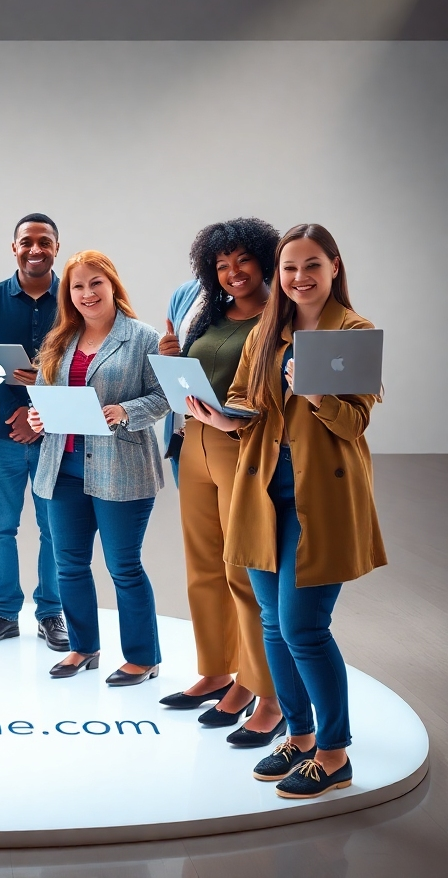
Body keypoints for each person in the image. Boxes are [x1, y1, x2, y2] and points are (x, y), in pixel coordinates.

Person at [187, 223, 385, 799]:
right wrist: (222, 419)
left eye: (312, 266)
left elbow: (355, 425)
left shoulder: (354, 331)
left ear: (334, 267)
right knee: (273, 624)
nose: (300, 278)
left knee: (304, 625)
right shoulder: (268, 331)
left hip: (319, 497)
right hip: (263, 492)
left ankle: (334, 752)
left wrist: (319, 396)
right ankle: (299, 737)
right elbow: (250, 405)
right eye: (291, 268)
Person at [156, 219, 285, 748]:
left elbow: (276, 395)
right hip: (194, 446)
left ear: (263, 259)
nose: (232, 273)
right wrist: (170, 361)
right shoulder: (209, 313)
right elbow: (193, 380)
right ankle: (218, 672)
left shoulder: (282, 318)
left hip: (243, 450)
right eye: (221, 265)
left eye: (242, 261)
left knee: (244, 571)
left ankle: (267, 695)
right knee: (203, 567)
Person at [28, 251, 169, 684]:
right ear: (67, 294)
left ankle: (143, 657)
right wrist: (38, 417)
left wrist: (124, 410)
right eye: (77, 286)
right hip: (63, 466)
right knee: (68, 564)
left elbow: (165, 397)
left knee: (123, 566)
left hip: (121, 467)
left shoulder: (143, 338)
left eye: (95, 283)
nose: (87, 293)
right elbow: (46, 395)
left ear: (112, 285)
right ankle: (82, 647)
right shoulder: (60, 338)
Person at [0, 213, 68, 652]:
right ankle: (4, 613)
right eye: (27, 241)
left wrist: (37, 410)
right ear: (14, 248)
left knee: (55, 530)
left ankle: (51, 613)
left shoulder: (75, 298)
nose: (35, 249)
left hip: (59, 437)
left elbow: (84, 367)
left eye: (44, 241)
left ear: (56, 248)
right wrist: (20, 414)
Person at [161, 278, 202, 485]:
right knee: (191, 516)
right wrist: (167, 354)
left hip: (225, 431)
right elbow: (176, 361)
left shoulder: (248, 290)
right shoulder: (185, 293)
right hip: (182, 431)